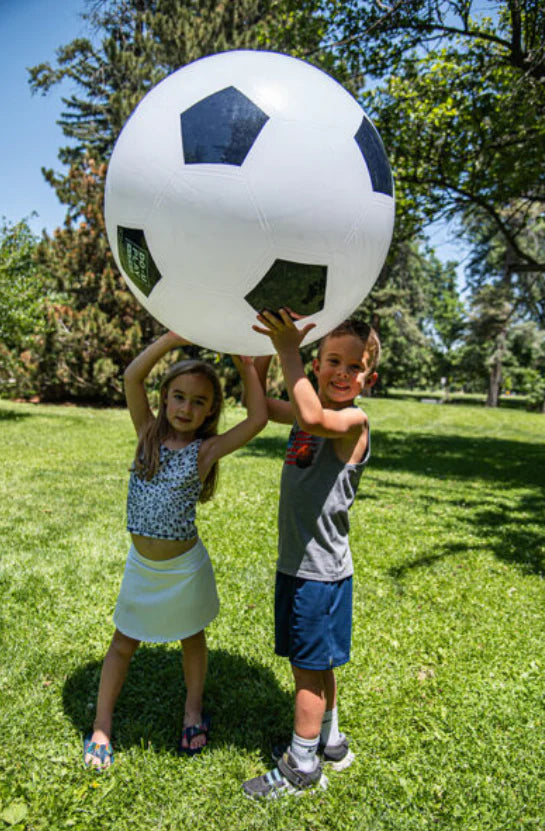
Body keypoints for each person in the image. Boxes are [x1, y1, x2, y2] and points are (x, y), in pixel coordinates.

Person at [84, 331, 267, 770]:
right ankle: (101, 725)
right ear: (164, 399)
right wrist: (175, 337)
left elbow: (258, 419)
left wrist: (245, 365)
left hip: (184, 570)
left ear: (210, 411)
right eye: (179, 397)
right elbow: (132, 376)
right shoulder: (147, 432)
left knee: (191, 638)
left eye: (198, 402)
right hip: (142, 569)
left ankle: (192, 710)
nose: (186, 408)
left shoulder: (205, 450)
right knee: (123, 642)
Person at [242, 310, 380, 799]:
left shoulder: (351, 421)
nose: (343, 373)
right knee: (319, 664)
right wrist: (250, 365)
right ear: (318, 366)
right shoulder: (310, 410)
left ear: (369, 378)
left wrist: (287, 351)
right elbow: (257, 408)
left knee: (305, 669)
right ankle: (332, 741)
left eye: (355, 367)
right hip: (301, 566)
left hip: (319, 573)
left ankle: (302, 767)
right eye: (333, 361)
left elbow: (312, 416)